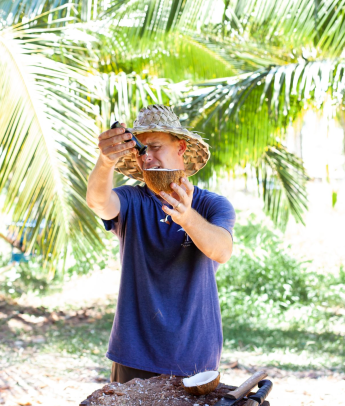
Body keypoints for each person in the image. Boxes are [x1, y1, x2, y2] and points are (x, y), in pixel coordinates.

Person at [86, 105, 236, 384]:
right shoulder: (133, 200)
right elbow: (98, 202)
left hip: (195, 355)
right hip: (134, 353)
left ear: (180, 148)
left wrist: (187, 217)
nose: (147, 158)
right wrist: (105, 162)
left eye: (155, 147)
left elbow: (222, 250)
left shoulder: (211, 205)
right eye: (142, 151)